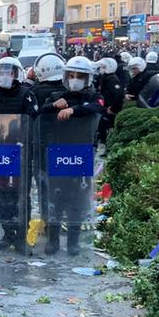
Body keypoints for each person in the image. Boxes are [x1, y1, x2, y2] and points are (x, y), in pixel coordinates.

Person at [38, 56, 103, 255]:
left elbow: (97, 107)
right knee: (56, 199)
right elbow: (39, 113)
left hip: (80, 154)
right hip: (58, 153)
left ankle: (73, 241)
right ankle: (53, 240)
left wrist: (73, 110)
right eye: (71, 75)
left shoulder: (92, 96)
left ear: (88, 78)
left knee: (78, 200)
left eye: (80, 76)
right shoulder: (57, 95)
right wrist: (54, 105)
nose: (75, 79)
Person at [0, 57, 39, 251]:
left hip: (20, 152)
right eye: (2, 71)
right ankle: (8, 233)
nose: (5, 75)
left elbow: (32, 121)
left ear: (16, 74)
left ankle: (22, 234)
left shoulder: (26, 94)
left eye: (9, 71)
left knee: (20, 194)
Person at [93, 57, 124, 146]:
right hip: (105, 107)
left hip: (109, 109)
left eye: (103, 67)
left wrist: (113, 108)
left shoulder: (112, 79)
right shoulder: (105, 78)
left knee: (106, 127)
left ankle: (107, 145)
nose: (101, 69)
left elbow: (118, 94)